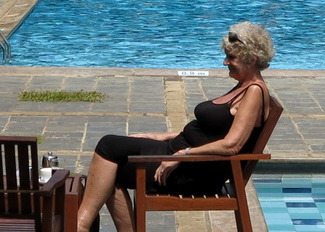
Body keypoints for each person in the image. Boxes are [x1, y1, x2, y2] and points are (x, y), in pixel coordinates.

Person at [74, 22, 275, 232]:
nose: (225, 62)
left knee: (109, 148)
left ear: (251, 59)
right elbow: (211, 132)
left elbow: (231, 145)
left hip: (194, 171)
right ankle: (81, 225)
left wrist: (182, 154)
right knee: (109, 168)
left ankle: (80, 225)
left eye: (231, 57)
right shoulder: (244, 86)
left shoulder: (253, 92)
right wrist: (161, 136)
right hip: (182, 157)